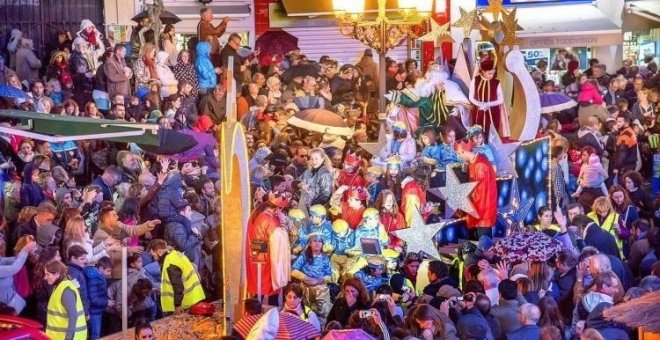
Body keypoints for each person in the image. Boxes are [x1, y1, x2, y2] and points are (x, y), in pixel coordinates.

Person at [245, 191, 291, 306]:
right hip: (266, 259)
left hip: (257, 255)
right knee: (269, 290)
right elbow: (280, 240)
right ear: (278, 209)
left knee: (258, 287)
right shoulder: (269, 219)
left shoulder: (259, 214)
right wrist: (284, 224)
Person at [148, 239, 205, 314]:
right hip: (194, 298)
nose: (154, 259)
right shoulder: (175, 254)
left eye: (154, 255)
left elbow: (177, 285)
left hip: (185, 304)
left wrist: (177, 304)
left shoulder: (170, 263)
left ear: (159, 251)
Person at [455, 141, 497, 239]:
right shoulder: (474, 161)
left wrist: (466, 203)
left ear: (463, 152)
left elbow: (481, 192)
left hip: (483, 209)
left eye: (458, 154)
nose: (458, 157)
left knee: (483, 243)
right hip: (477, 208)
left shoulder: (480, 165)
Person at [290, 233, 331, 327]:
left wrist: (319, 280)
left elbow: (329, 275)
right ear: (310, 243)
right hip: (305, 288)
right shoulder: (304, 256)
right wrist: (305, 278)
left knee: (322, 312)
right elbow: (293, 270)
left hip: (321, 289)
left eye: (320, 241)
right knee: (305, 312)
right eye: (314, 241)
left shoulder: (325, 258)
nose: (317, 243)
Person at [44, 260, 88, 340]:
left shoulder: (66, 290)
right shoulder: (59, 287)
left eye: (48, 274)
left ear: (57, 274)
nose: (45, 277)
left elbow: (73, 316)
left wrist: (68, 338)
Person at [469, 58, 509, 138]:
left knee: (492, 133)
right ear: (483, 71)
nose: (492, 76)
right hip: (479, 111)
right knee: (478, 132)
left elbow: (501, 99)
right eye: (489, 73)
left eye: (493, 73)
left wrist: (488, 104)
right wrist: (480, 104)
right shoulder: (475, 80)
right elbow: (471, 97)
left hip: (493, 112)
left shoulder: (496, 82)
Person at [84, 256, 112, 339]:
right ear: (101, 268)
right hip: (94, 312)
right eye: (108, 271)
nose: (110, 273)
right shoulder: (94, 279)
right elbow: (93, 299)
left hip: (98, 310)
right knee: (95, 335)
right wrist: (107, 302)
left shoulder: (99, 277)